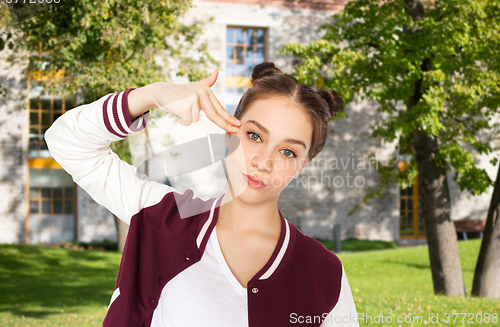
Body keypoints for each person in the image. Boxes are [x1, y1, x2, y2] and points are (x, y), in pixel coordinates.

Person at [45, 62, 359, 327]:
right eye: (254, 136)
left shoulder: (324, 273)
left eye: (288, 151)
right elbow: (67, 141)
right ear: (228, 133)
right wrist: (151, 95)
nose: (264, 162)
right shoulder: (159, 215)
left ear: (303, 165)